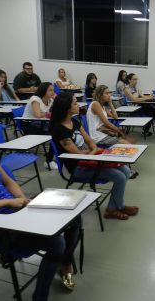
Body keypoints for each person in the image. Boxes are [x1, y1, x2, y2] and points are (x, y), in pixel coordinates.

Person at [0, 161, 82, 299]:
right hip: (1, 227)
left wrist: (22, 199)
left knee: (75, 217)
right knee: (56, 244)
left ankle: (65, 263)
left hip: (16, 210)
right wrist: (8, 202)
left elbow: (7, 181)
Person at [50, 92, 138, 220]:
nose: (78, 105)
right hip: (77, 168)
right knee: (120, 177)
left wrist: (91, 152)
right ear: (66, 108)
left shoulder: (74, 121)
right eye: (75, 103)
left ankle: (118, 205)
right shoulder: (59, 129)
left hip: (89, 160)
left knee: (125, 169)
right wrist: (91, 152)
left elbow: (90, 141)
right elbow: (77, 154)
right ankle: (112, 209)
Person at [22, 82, 57, 170]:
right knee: (55, 136)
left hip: (41, 124)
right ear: (43, 91)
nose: (53, 92)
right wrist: (48, 114)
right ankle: (48, 161)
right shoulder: (35, 99)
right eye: (50, 90)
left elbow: (54, 112)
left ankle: (56, 155)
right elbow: (38, 114)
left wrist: (57, 99)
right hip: (29, 126)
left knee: (59, 131)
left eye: (53, 90)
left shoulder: (50, 100)